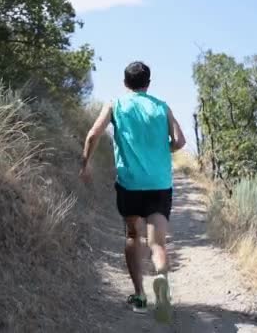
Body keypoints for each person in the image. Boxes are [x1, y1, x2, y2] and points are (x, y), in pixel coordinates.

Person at [79, 61, 186, 322]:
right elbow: (180, 141)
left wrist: (85, 164)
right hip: (160, 184)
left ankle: (139, 295)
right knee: (157, 243)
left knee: (132, 235)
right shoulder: (162, 107)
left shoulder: (116, 104)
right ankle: (161, 279)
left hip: (130, 184)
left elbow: (93, 135)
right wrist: (164, 150)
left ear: (125, 82)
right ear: (148, 83)